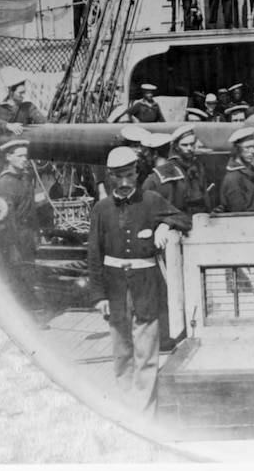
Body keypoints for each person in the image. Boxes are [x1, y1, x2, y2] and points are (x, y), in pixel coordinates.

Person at [88, 146, 191, 414]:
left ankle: (144, 412)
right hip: (114, 289)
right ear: (110, 176)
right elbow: (93, 254)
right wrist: (98, 296)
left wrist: (165, 225)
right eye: (118, 177)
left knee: (146, 353)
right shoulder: (101, 209)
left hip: (146, 287)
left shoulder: (152, 200)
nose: (124, 183)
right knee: (122, 353)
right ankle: (127, 408)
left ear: (137, 173)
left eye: (129, 175)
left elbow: (184, 218)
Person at [0, 140, 47, 322]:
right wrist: (12, 247)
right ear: (8, 157)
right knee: (19, 278)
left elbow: (31, 210)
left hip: (27, 235)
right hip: (14, 237)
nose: (25, 159)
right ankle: (24, 320)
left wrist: (36, 235)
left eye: (26, 155)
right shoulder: (5, 183)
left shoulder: (24, 178)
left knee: (29, 275)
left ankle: (28, 316)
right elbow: (5, 219)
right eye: (20, 155)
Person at [0, 67, 46, 184]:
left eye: (24, 92)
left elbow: (43, 122)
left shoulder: (28, 107)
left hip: (19, 157)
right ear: (10, 92)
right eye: (20, 93)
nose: (23, 95)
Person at [142, 125, 211, 217]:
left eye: (192, 144)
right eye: (184, 145)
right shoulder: (172, 169)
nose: (189, 148)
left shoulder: (198, 167)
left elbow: (205, 197)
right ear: (176, 147)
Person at [220, 127, 254, 212]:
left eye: (253, 147)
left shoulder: (248, 172)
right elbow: (238, 213)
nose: (253, 151)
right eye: (247, 147)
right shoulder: (234, 178)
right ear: (237, 149)